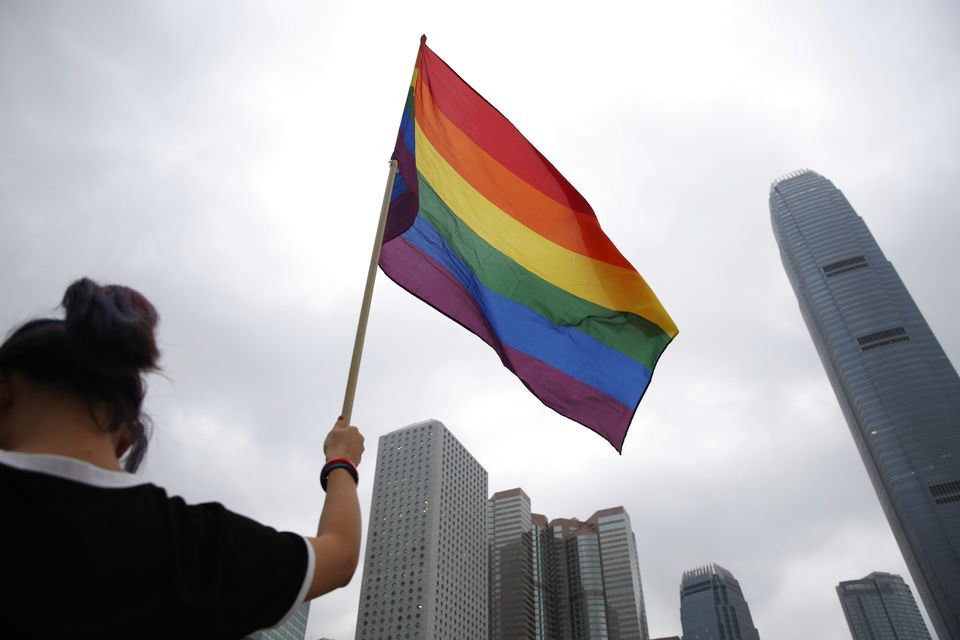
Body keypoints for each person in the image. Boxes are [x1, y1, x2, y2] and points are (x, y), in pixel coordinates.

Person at [0, 278, 365, 639]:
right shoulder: (194, 545)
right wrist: (341, 460)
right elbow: (341, 555)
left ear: (4, 393)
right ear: (127, 435)